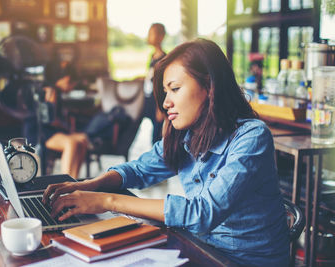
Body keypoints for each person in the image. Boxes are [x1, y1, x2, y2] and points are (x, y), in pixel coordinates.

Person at [42, 38, 290, 266]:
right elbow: (138, 170)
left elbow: (202, 213)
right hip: (200, 249)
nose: (165, 102)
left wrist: (106, 201)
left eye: (175, 89)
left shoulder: (252, 136)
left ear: (210, 87)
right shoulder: (187, 135)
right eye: (165, 92)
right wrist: (93, 184)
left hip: (242, 261)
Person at [143, 23, 166, 144]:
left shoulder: (163, 59)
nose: (149, 36)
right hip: (148, 99)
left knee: (156, 137)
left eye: (152, 34)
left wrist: (159, 108)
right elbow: (151, 77)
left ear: (161, 36)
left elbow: (162, 85)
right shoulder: (152, 56)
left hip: (157, 102)